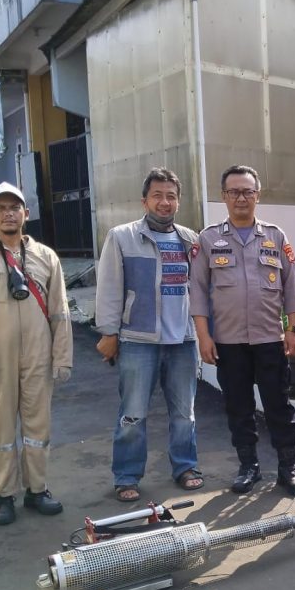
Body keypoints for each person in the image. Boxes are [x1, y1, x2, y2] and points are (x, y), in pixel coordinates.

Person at [0, 182, 72, 526]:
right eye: (1, 208)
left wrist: (63, 357)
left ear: (26, 213)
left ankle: (37, 490)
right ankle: (3, 495)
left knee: (38, 427)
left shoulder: (45, 256)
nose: (9, 214)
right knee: (1, 429)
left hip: (38, 354)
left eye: (15, 207)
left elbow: (60, 311)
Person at [189, 165, 295, 496]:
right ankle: (249, 467)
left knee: (278, 407)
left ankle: (288, 468)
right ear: (224, 196)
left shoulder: (275, 237)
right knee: (238, 408)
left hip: (270, 339)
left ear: (258, 195)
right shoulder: (209, 239)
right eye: (234, 192)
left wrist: (294, 329)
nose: (241, 198)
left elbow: (291, 286)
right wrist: (203, 336)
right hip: (229, 343)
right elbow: (197, 290)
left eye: (247, 191)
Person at [95, 167, 203, 503]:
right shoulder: (122, 237)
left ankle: (185, 467)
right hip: (138, 341)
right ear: (145, 200)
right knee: (133, 414)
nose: (164, 201)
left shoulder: (190, 239)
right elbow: (110, 288)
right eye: (157, 195)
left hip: (183, 341)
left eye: (171, 196)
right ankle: (126, 476)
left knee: (184, 413)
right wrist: (109, 332)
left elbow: (199, 290)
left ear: (178, 201)